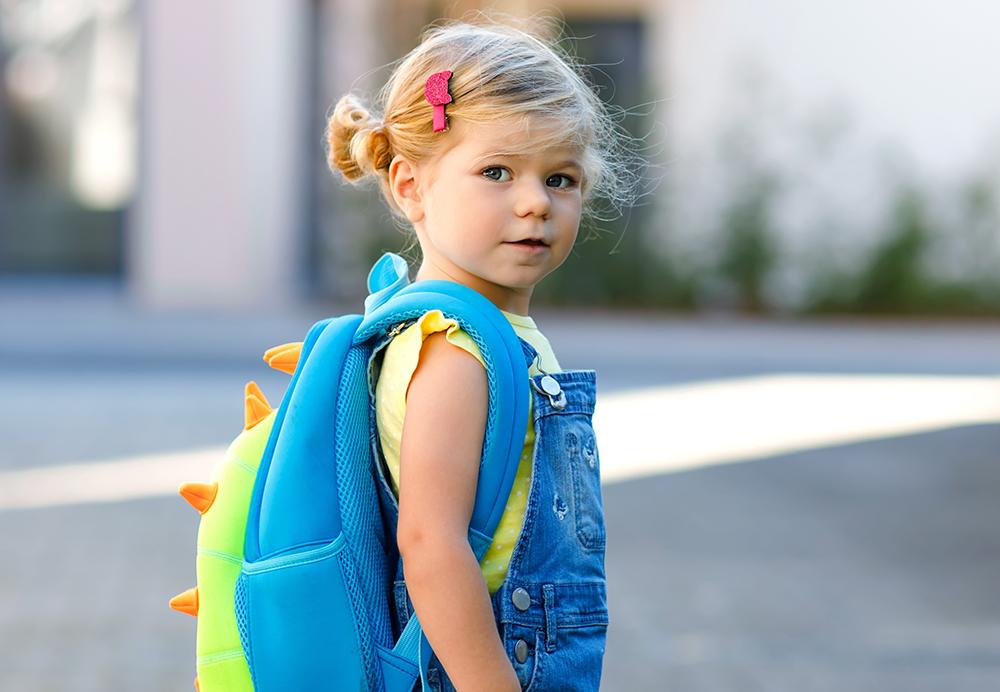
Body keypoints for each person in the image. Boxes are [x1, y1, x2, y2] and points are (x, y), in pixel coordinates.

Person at [326, 16, 639, 692]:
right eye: (497, 172)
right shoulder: (455, 350)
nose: (535, 204)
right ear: (410, 186)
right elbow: (430, 545)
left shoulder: (482, 332)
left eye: (561, 178)